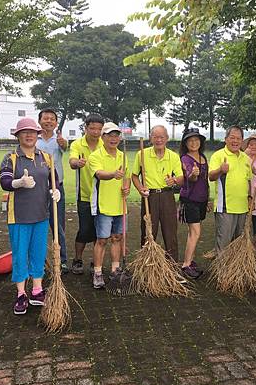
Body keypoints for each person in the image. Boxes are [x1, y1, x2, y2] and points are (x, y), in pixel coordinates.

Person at [0, 118, 61, 315]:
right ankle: (20, 294)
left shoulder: (46, 157)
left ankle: (36, 289)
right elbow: (5, 181)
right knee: (20, 254)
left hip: (41, 214)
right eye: (24, 132)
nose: (29, 135)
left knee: (38, 253)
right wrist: (18, 183)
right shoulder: (11, 157)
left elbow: (55, 181)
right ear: (18, 136)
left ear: (38, 135)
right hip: (19, 216)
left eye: (33, 132)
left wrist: (55, 191)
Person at [131, 125, 183, 260]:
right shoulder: (142, 154)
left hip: (167, 196)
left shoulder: (173, 156)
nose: (158, 140)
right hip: (150, 197)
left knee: (170, 232)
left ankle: (172, 268)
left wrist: (174, 180)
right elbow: (134, 176)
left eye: (161, 137)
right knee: (148, 232)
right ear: (150, 138)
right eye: (155, 137)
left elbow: (182, 178)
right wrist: (140, 188)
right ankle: (146, 265)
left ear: (167, 138)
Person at [88, 122, 130, 289]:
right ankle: (97, 272)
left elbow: (126, 176)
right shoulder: (95, 156)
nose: (114, 139)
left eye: (116, 135)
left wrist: (127, 186)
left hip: (120, 204)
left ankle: (115, 268)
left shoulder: (123, 155)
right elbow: (99, 174)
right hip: (103, 205)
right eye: (110, 135)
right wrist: (113, 174)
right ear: (103, 137)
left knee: (117, 238)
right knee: (102, 240)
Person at [68, 114, 104, 275]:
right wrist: (78, 163)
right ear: (86, 128)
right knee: (84, 229)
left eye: (99, 129)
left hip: (103, 195)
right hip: (84, 195)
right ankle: (77, 259)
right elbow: (72, 161)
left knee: (100, 230)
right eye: (92, 128)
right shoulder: (77, 144)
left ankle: (96, 261)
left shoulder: (105, 144)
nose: (96, 132)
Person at [208, 126, 252, 253]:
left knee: (239, 244)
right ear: (225, 139)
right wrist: (220, 170)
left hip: (243, 208)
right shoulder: (218, 155)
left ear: (242, 140)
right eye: (232, 138)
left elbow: (248, 180)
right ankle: (221, 271)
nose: (235, 141)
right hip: (225, 207)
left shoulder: (246, 158)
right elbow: (211, 177)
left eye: (238, 138)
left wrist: (249, 198)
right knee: (224, 244)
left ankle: (234, 272)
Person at [36, 108, 69, 274]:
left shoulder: (60, 140)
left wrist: (63, 143)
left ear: (56, 123)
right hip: (37, 190)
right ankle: (39, 261)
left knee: (59, 225)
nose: (48, 121)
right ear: (40, 121)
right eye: (45, 118)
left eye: (52, 119)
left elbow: (65, 147)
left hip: (57, 188)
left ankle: (62, 260)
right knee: (39, 225)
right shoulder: (34, 139)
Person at [178, 128, 209, 279]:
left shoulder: (203, 157)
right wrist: (193, 175)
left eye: (196, 140)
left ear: (200, 142)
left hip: (202, 199)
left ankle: (189, 260)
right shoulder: (185, 159)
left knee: (194, 233)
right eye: (190, 140)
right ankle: (186, 265)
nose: (194, 142)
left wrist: (208, 199)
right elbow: (190, 178)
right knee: (195, 233)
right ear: (185, 143)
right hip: (190, 200)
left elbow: (206, 180)